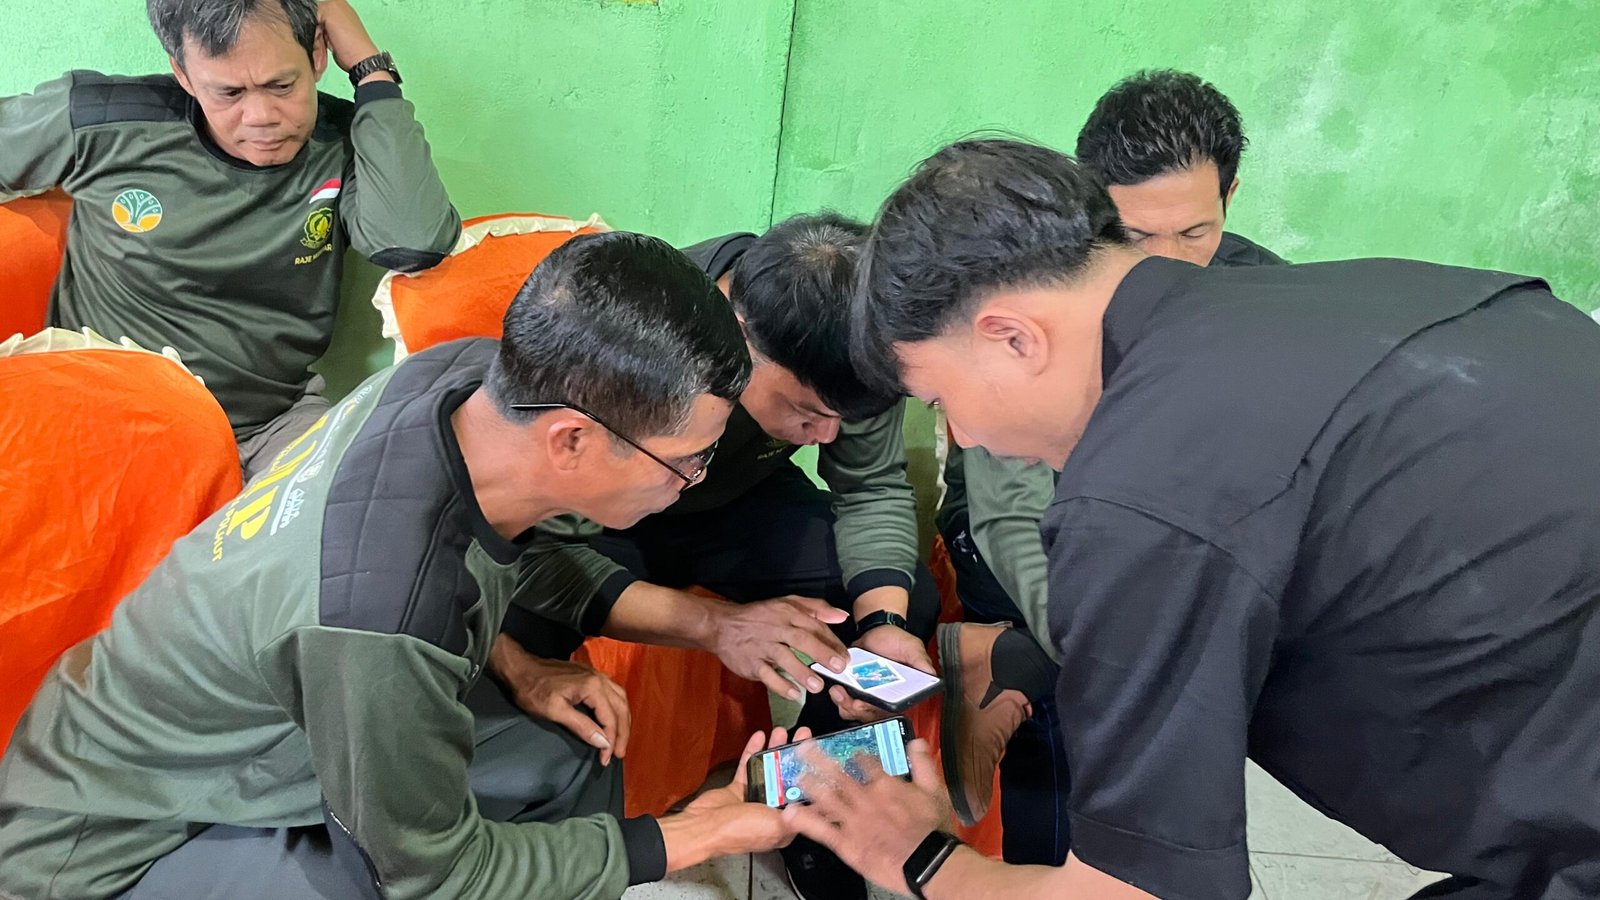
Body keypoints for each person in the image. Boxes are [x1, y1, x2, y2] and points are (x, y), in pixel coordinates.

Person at [787, 138, 1600, 900]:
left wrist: (921, 856)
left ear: (1012, 339)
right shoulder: (1408, 287)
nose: (963, 436)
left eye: (940, 402)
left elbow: (1142, 893)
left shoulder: (1139, 498)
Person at [0, 232, 805, 900]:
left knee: (567, 757)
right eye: (687, 461)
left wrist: (520, 664)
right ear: (571, 439)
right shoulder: (382, 617)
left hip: (268, 735)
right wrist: (685, 837)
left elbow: (488, 559)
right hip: (114, 847)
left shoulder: (460, 381)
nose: (693, 481)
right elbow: (433, 875)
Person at [490, 212, 942, 900]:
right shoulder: (634, 341)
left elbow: (872, 487)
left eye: (844, 419)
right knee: (517, 632)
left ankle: (819, 810)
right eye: (804, 411)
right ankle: (560, 849)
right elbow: (534, 552)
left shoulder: (852, 341)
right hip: (598, 509)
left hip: (731, 503)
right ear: (735, 336)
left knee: (901, 597)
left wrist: (883, 622)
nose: (825, 437)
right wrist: (714, 626)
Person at [936, 69, 1286, 855]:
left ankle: (1007, 660)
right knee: (1078, 729)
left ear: (1230, 196)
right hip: (1033, 527)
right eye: (1135, 236)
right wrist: (1101, 636)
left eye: (1193, 233)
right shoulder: (1034, 289)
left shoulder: (1262, 300)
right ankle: (1014, 675)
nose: (1165, 265)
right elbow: (1008, 509)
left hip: (1164, 528)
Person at [0, 0, 460, 477]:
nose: (261, 116)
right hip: (108, 415)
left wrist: (370, 71)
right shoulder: (101, 120)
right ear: (183, 75)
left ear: (317, 55)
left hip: (271, 425)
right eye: (229, 92)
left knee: (367, 497)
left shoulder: (345, 141)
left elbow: (413, 244)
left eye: (282, 86)